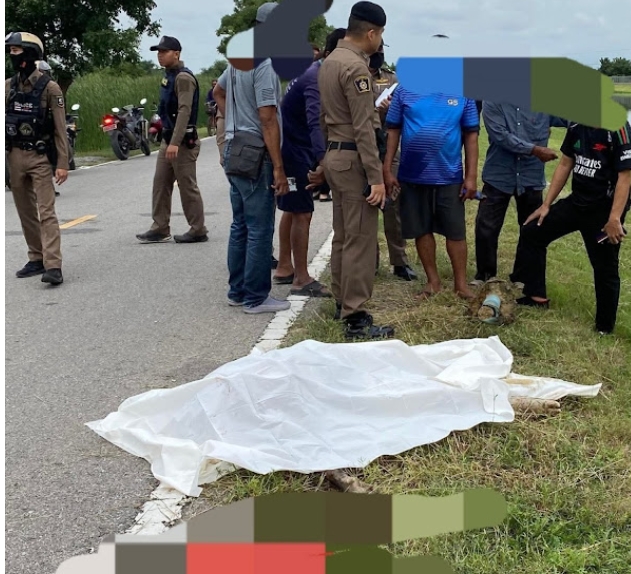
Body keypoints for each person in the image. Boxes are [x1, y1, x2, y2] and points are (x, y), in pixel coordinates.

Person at [319, 1, 395, 339]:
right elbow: (364, 127)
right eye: (381, 35)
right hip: (354, 159)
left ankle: (341, 301)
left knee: (343, 236)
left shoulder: (330, 61)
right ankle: (356, 315)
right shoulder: (356, 68)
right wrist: (376, 178)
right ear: (372, 33)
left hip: (336, 155)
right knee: (360, 240)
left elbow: (323, 118)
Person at [512, 121, 631, 335]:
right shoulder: (576, 125)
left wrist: (614, 218)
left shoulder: (619, 128)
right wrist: (546, 205)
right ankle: (536, 296)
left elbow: (626, 176)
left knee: (605, 267)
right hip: (577, 204)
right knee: (532, 231)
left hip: (603, 213)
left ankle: (604, 328)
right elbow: (566, 163)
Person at [213, 2, 291, 314]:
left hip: (234, 147)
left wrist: (233, 118)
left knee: (241, 225)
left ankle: (237, 290)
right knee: (259, 227)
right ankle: (256, 297)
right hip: (257, 152)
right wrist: (279, 168)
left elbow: (217, 92)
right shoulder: (266, 64)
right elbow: (268, 118)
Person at [384, 56, 480, 301]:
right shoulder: (404, 90)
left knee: (455, 232)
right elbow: (393, 130)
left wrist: (470, 177)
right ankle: (433, 282)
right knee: (421, 229)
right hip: (412, 175)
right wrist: (387, 168)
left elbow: (471, 136)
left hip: (449, 176)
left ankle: (461, 285)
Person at [471, 102, 568, 286]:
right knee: (486, 227)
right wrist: (535, 150)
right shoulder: (492, 100)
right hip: (499, 175)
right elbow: (500, 135)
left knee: (531, 229)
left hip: (531, 176)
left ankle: (523, 277)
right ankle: (485, 275)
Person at [5, 32, 69, 286]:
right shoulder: (8, 86)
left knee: (46, 211)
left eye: (16, 50)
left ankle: (53, 265)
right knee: (25, 212)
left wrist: (62, 163)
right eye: (10, 51)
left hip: (40, 157)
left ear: (30, 53)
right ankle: (36, 257)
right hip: (14, 156)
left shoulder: (50, 88)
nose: (12, 55)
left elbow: (60, 129)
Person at [273, 45, 332, 298]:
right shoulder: (314, 78)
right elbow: (314, 122)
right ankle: (301, 278)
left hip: (291, 149)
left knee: (292, 208)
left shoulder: (306, 72)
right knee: (302, 213)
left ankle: (285, 266)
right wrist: (323, 160)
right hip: (295, 152)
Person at [136, 36, 208, 244]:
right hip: (168, 139)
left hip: (183, 141)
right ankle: (160, 227)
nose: (160, 55)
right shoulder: (169, 76)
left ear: (176, 54)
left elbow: (184, 111)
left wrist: (175, 142)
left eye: (164, 51)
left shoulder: (183, 78)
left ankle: (198, 229)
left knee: (186, 185)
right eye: (158, 52)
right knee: (160, 183)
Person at [369, 41, 417, 281]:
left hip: (390, 148)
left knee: (394, 206)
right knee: (366, 207)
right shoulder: (354, 75)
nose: (379, 53)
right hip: (365, 148)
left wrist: (391, 109)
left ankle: (399, 261)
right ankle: (370, 261)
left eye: (381, 50)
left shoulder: (391, 79)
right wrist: (376, 111)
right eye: (375, 50)